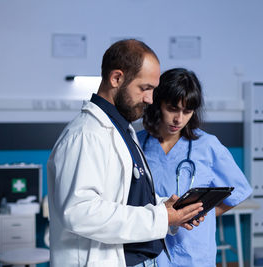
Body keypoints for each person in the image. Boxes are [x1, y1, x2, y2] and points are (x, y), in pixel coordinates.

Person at [47, 40, 204, 267]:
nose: (150, 99)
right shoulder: (86, 135)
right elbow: (79, 211)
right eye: (145, 88)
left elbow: (126, 200)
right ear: (116, 79)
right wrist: (161, 217)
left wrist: (169, 209)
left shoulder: (123, 130)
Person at [137, 68, 253, 267]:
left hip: (192, 253)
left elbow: (238, 191)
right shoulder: (137, 143)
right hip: (148, 249)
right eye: (172, 108)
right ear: (158, 103)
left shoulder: (207, 146)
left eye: (187, 111)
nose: (179, 119)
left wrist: (198, 215)